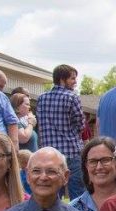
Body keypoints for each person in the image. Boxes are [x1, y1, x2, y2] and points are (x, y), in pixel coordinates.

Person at [37, 64, 85, 199]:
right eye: (72, 79)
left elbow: (41, 124)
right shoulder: (72, 97)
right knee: (77, 193)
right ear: (62, 79)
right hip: (71, 151)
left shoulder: (41, 98)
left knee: (51, 193)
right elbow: (81, 124)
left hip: (49, 154)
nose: (75, 82)